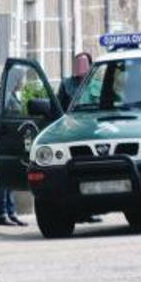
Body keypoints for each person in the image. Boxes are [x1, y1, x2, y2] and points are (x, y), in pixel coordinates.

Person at [58, 53, 102, 224]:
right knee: (74, 176)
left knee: (93, 175)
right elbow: (60, 109)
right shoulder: (67, 84)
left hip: (92, 134)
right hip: (72, 136)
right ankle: (76, 212)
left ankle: (90, 210)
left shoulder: (97, 85)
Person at [0, 74, 27, 227]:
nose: (23, 82)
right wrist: (5, 129)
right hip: (4, 142)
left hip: (11, 142)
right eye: (21, 79)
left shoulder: (10, 95)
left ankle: (10, 212)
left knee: (10, 177)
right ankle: (1, 214)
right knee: (4, 178)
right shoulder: (3, 96)